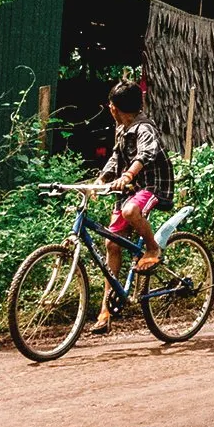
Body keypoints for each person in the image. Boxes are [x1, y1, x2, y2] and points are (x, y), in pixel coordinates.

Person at [87, 82, 171, 319]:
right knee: (112, 245)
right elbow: (115, 157)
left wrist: (127, 175)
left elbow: (146, 154)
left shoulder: (144, 128)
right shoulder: (121, 129)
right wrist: (101, 179)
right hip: (128, 189)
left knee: (131, 211)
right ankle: (106, 308)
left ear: (113, 108)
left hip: (152, 186)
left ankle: (153, 248)